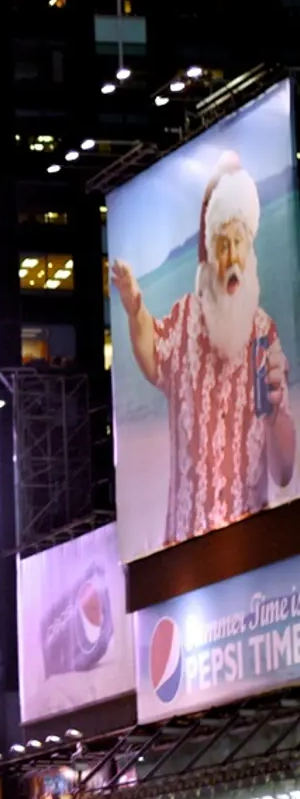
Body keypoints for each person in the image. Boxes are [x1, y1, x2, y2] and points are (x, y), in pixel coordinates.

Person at [111, 150, 295, 545]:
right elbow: (150, 353)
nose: (231, 257)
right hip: (186, 549)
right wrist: (136, 310)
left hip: (252, 546)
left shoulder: (264, 333)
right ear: (210, 255)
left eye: (238, 243)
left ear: (250, 250)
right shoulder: (185, 319)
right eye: (222, 245)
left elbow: (284, 472)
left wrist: (277, 411)